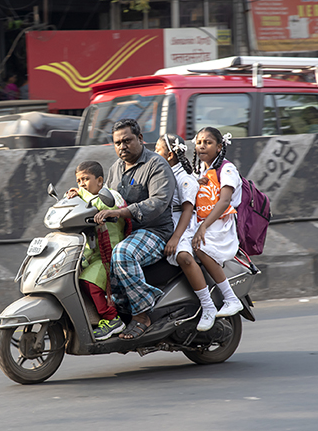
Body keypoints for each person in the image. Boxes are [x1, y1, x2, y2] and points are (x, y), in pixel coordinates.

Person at [95, 119, 175, 339]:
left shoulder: (156, 164)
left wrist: (122, 212)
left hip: (155, 232)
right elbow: (105, 199)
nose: (122, 146)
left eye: (127, 140)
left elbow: (158, 203)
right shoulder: (115, 169)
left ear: (140, 138)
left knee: (122, 254)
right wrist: (79, 196)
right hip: (126, 233)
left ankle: (142, 315)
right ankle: (117, 314)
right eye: (117, 142)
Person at [154, 133, 217, 331]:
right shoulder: (166, 175)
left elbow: (187, 210)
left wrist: (175, 238)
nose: (154, 154)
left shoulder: (184, 179)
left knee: (183, 257)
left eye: (158, 150)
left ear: (170, 154)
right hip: (168, 224)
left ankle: (208, 306)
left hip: (184, 225)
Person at [66, 161, 132, 340]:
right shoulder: (86, 199)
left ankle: (112, 319)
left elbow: (108, 207)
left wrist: (81, 194)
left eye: (86, 179)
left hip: (110, 256)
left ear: (100, 181)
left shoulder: (110, 196)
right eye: (79, 181)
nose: (82, 184)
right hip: (93, 255)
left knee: (90, 283)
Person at [191, 127, 243, 318]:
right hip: (205, 220)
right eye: (199, 142)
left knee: (199, 247)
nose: (202, 146)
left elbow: (224, 201)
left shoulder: (227, 168)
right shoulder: (203, 170)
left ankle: (231, 298)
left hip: (222, 223)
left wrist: (203, 227)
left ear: (219, 146)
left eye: (208, 142)